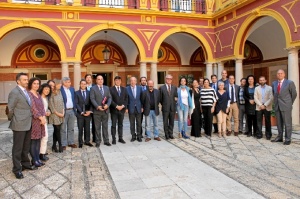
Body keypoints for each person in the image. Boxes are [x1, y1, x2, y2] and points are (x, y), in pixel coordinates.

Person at [7, 73, 36, 179]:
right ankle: (16, 169)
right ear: (18, 81)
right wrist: (13, 119)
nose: (26, 81)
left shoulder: (26, 91)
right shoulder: (14, 92)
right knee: (18, 148)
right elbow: (10, 109)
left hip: (28, 123)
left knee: (26, 146)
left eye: (27, 79)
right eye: (24, 80)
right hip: (19, 123)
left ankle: (25, 164)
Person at [271, 69, 297, 145]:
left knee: (287, 123)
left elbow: (294, 94)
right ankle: (279, 137)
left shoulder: (289, 83)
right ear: (276, 75)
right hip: (277, 105)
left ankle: (288, 139)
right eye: (278, 73)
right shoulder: (274, 83)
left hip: (286, 106)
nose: (279, 75)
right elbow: (274, 93)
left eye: (281, 73)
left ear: (284, 74)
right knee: (279, 123)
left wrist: (289, 103)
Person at [28, 77, 46, 167]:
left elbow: (42, 107)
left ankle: (38, 158)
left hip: (41, 120)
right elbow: (33, 108)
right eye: (34, 83)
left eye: (38, 83)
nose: (36, 85)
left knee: (38, 139)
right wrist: (40, 118)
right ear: (31, 84)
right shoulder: (29, 94)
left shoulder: (38, 94)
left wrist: (43, 117)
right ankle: (34, 160)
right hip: (34, 120)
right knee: (33, 140)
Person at [90, 75, 112, 147]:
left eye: (101, 79)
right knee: (97, 127)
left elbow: (109, 98)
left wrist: (107, 105)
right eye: (98, 79)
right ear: (96, 80)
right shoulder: (93, 88)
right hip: (97, 111)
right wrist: (97, 106)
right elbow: (92, 99)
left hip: (105, 111)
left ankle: (106, 140)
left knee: (105, 126)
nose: (100, 80)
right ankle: (98, 141)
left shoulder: (106, 88)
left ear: (103, 80)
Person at [75, 79, 93, 148]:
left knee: (87, 128)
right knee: (80, 128)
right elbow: (76, 103)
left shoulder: (89, 92)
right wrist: (81, 112)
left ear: (86, 85)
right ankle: (80, 142)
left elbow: (91, 103)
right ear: (80, 84)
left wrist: (89, 111)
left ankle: (87, 141)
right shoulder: (76, 93)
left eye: (84, 84)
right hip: (80, 114)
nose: (83, 85)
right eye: (82, 84)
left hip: (88, 114)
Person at [109, 76, 128, 144]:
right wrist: (116, 106)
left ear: (121, 81)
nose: (118, 81)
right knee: (113, 125)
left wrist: (122, 106)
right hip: (114, 110)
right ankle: (113, 139)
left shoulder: (124, 89)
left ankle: (120, 138)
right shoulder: (111, 89)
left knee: (120, 124)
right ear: (114, 81)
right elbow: (110, 100)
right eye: (116, 80)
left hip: (122, 110)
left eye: (119, 80)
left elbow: (126, 99)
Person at [159, 74, 178, 140]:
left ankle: (171, 134)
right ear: (165, 79)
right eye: (167, 78)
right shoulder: (162, 88)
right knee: (165, 122)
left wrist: (173, 103)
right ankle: (166, 135)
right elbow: (160, 99)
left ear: (172, 80)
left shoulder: (174, 87)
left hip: (172, 107)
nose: (169, 80)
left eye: (170, 79)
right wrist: (164, 104)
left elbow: (176, 97)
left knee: (171, 122)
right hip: (165, 108)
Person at [60, 77, 77, 149]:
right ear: (63, 83)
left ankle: (71, 142)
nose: (69, 83)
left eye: (69, 82)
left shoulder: (72, 89)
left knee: (71, 128)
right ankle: (63, 144)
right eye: (67, 82)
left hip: (72, 110)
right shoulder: (60, 90)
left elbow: (74, 99)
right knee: (63, 128)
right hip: (64, 111)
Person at [49, 79, 64, 153]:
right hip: (55, 114)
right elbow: (51, 106)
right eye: (59, 84)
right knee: (58, 130)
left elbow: (62, 102)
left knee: (56, 130)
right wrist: (58, 114)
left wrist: (63, 112)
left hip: (61, 114)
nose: (61, 85)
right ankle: (60, 145)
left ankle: (54, 145)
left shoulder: (60, 92)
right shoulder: (51, 93)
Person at [126, 77, 143, 142]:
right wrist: (127, 108)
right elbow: (126, 99)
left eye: (134, 81)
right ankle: (133, 136)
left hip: (138, 108)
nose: (133, 82)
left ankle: (139, 136)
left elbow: (142, 98)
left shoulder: (140, 88)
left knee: (139, 123)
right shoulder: (127, 89)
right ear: (130, 82)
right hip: (131, 108)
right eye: (131, 81)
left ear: (136, 82)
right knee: (132, 123)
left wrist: (142, 107)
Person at [39, 83, 52, 161]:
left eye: (48, 90)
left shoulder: (46, 98)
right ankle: (39, 154)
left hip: (44, 119)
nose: (47, 91)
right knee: (40, 137)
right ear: (42, 89)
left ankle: (42, 153)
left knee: (45, 136)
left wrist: (49, 111)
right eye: (46, 89)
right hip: (39, 120)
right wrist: (44, 113)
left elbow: (46, 108)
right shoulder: (39, 97)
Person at [85, 74, 96, 142]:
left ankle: (94, 138)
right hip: (86, 108)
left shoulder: (95, 87)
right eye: (87, 78)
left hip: (94, 108)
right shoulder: (83, 86)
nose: (88, 79)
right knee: (87, 125)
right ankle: (87, 139)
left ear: (91, 79)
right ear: (85, 79)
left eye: (90, 77)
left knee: (94, 124)